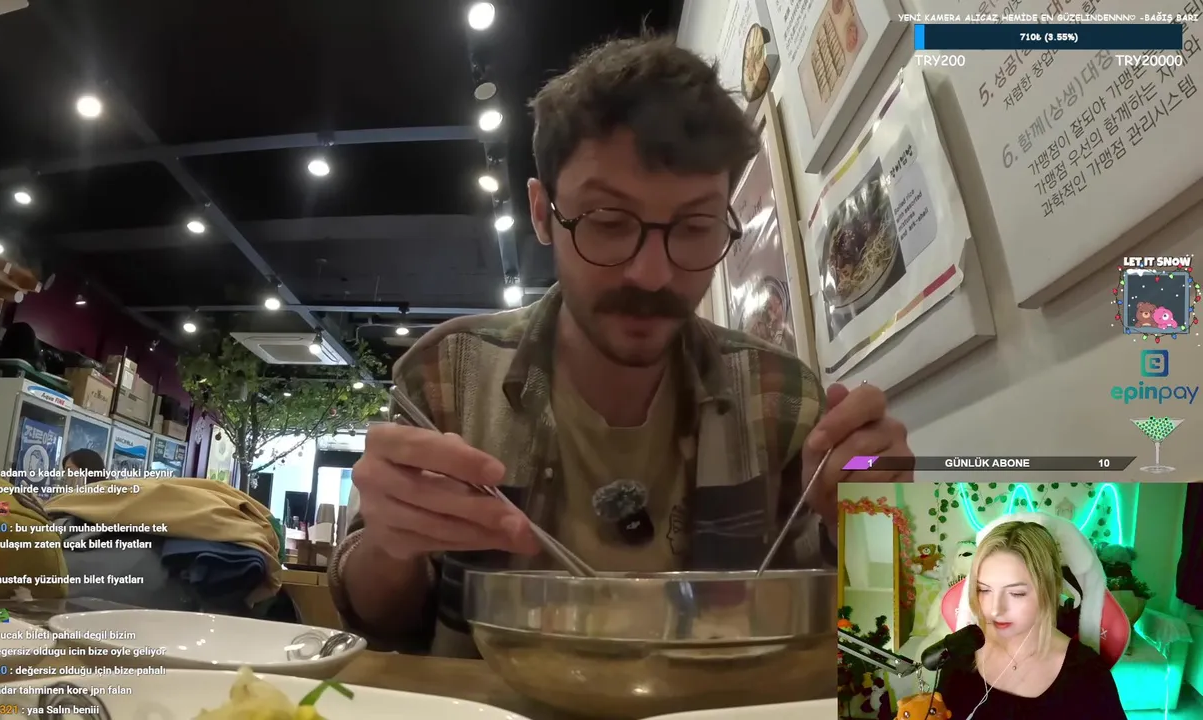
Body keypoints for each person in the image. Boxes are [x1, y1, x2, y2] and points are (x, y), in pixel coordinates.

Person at [329, 35, 914, 658]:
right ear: (542, 213)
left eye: (694, 227)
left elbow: (872, 641)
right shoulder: (447, 375)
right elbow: (382, 626)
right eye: (608, 222)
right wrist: (389, 545)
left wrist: (872, 524)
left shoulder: (781, 396)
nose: (652, 275)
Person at [938, 521, 1126, 719]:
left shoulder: (1087, 675)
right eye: (984, 590)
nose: (995, 609)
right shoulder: (961, 654)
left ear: (1050, 589)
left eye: (1016, 593)